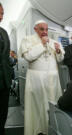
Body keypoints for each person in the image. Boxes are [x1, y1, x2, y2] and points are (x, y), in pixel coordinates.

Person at [19, 20, 65, 135]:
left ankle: (53, 128)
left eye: (46, 29)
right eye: (41, 29)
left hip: (52, 81)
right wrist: (42, 44)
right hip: (37, 80)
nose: (45, 32)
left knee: (53, 105)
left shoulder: (53, 41)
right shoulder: (27, 40)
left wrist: (59, 51)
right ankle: (39, 130)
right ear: (35, 29)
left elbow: (60, 59)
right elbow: (29, 57)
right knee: (38, 108)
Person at [0, 3, 12, 135]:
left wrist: (11, 62)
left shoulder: (3, 32)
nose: (1, 17)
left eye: (2, 13)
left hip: (5, 82)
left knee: (2, 115)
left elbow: (5, 56)